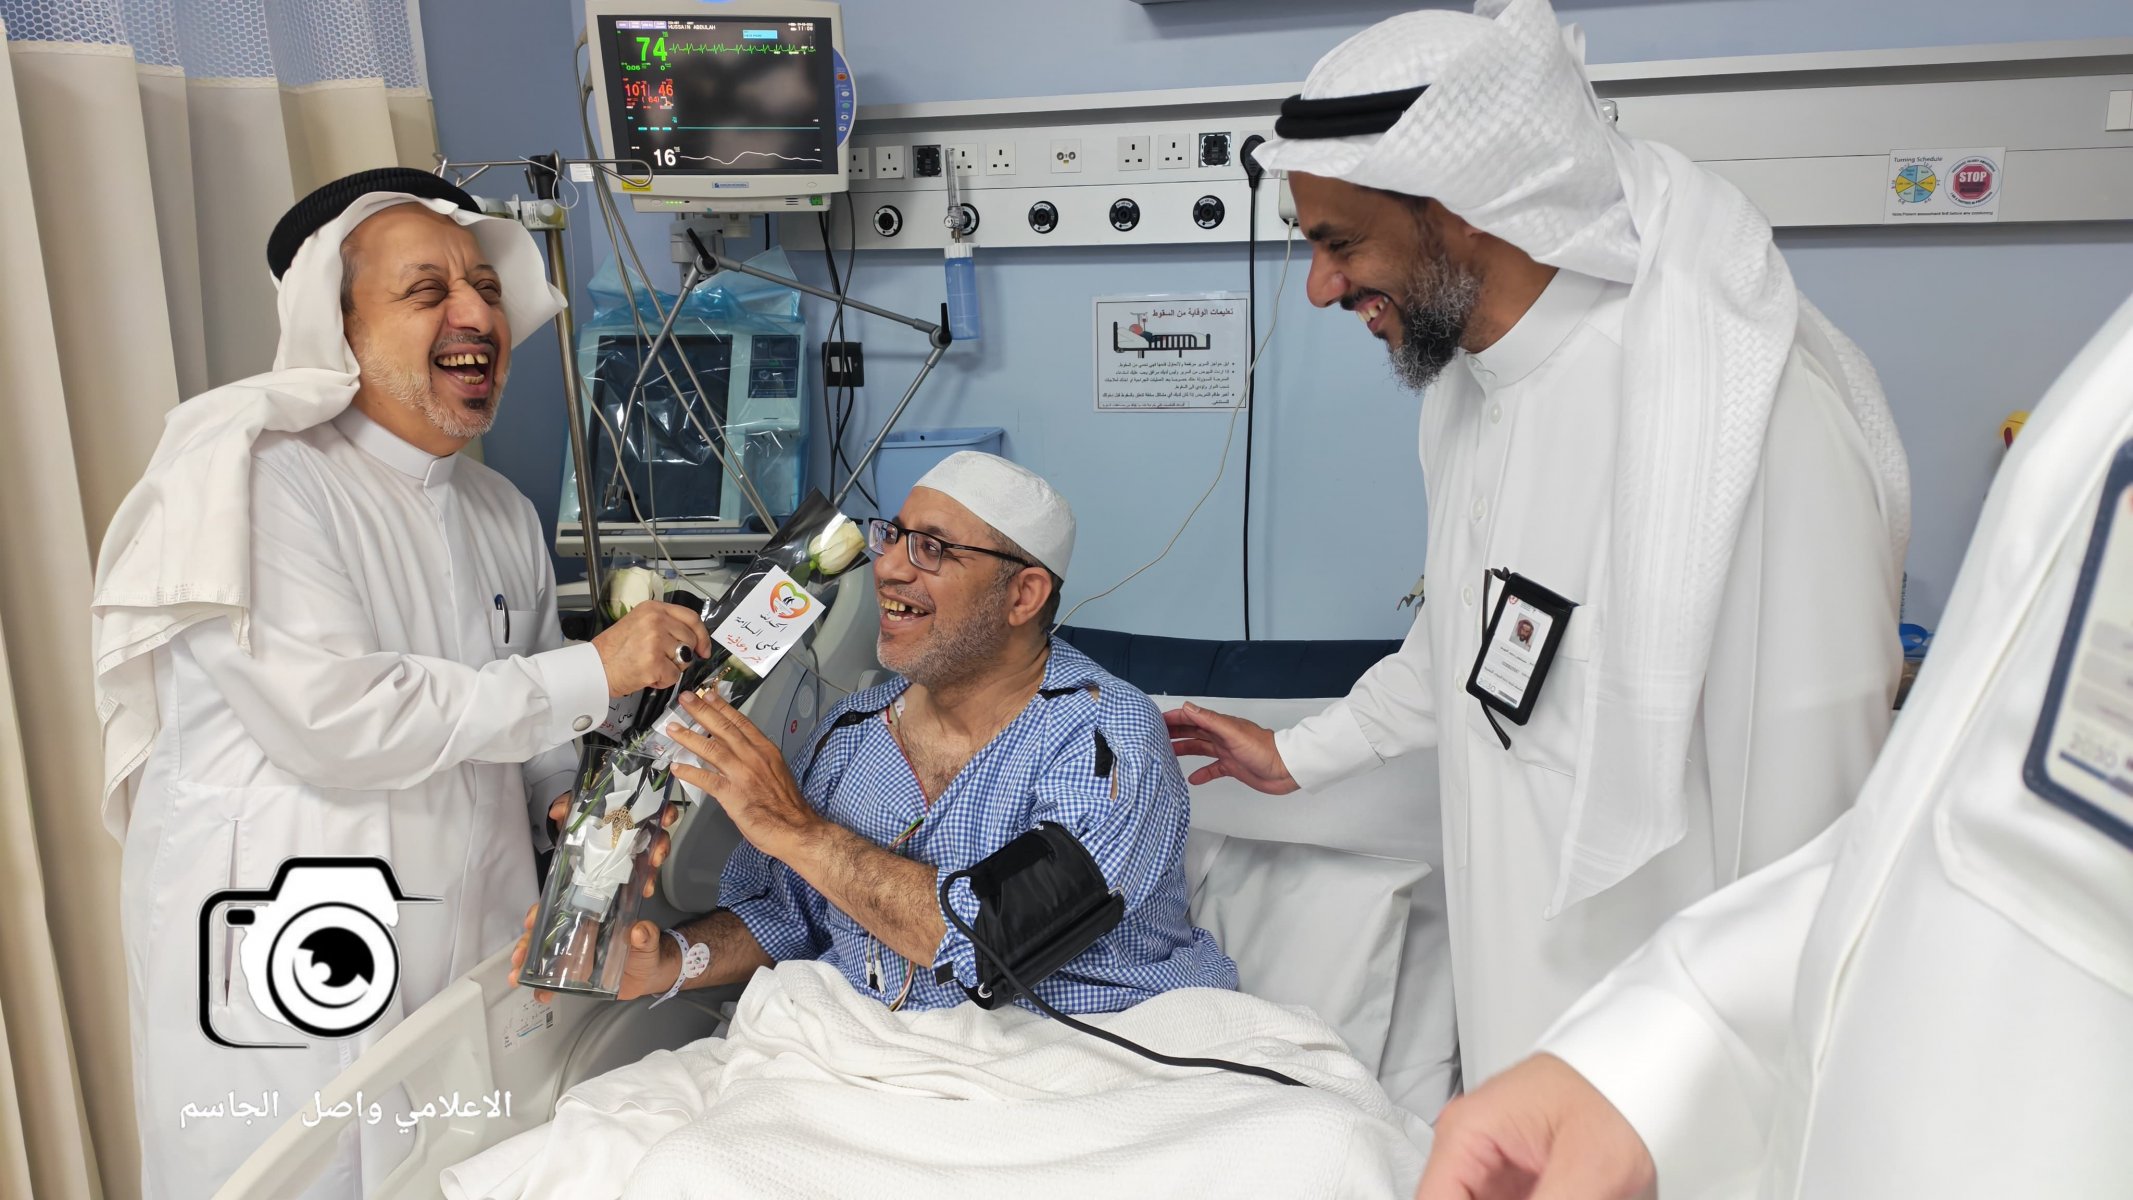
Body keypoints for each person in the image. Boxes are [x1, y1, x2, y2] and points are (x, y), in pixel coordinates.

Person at [1167, 0, 1912, 1084]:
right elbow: (1470, 651)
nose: (1321, 288)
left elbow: (1816, 815)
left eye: (1340, 243)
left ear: (1463, 208)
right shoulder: (1468, 396)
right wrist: (1299, 753)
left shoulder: (1732, 419)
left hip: (1679, 1070)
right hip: (1522, 1030)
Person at [1416, 293, 2133, 1200]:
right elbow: (1938, 846)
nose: (1320, 287)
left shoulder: (1754, 411)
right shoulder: (2106, 394)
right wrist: (1638, 1066)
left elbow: (1828, 808)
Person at [91, 167, 709, 1200]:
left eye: (486, 288)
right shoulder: (257, 479)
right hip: (289, 935)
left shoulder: (500, 511)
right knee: (306, 1174)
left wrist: (564, 804)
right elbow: (337, 720)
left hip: (464, 932)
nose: (475, 314)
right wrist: (596, 667)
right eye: (427, 291)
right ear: (336, 329)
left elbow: (524, 713)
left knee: (459, 1164)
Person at [512, 452, 1236, 1014]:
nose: (886, 567)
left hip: (1086, 1054)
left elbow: (1003, 939)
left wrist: (797, 829)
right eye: (893, 536)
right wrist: (670, 962)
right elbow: (784, 916)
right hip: (877, 1055)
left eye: (933, 549)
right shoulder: (851, 735)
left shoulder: (1106, 739)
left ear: (1023, 594)